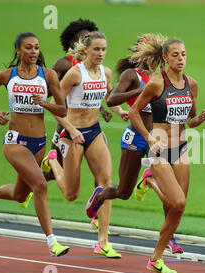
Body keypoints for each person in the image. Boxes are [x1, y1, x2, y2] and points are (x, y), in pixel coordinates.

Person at [85, 34, 185, 255]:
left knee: (172, 191)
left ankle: (170, 237)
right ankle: (100, 196)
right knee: (124, 191)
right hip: (135, 137)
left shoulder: (164, 77)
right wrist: (142, 92)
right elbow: (111, 100)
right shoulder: (133, 75)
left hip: (158, 141)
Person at [0, 32, 69, 256]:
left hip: (39, 142)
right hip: (15, 141)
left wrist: (45, 104)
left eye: (37, 48)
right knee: (41, 185)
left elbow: (63, 109)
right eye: (29, 48)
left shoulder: (48, 76)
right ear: (18, 50)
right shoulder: (7, 76)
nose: (34, 52)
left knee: (20, 194)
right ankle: (52, 241)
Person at [129, 37, 205, 273]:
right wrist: (148, 138)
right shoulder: (157, 84)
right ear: (165, 58)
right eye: (175, 55)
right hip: (159, 150)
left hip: (181, 149)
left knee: (177, 208)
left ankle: (156, 258)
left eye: (184, 54)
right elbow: (134, 112)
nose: (180, 59)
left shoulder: (191, 84)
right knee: (177, 202)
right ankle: (151, 179)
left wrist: (202, 117)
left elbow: (190, 121)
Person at [42, 31, 129, 258]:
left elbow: (109, 96)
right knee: (71, 194)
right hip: (71, 135)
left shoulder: (105, 72)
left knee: (106, 183)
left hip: (94, 132)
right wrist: (70, 130)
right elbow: (54, 106)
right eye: (96, 49)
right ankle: (52, 161)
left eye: (104, 49)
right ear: (86, 50)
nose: (101, 54)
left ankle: (103, 240)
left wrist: (121, 111)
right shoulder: (74, 74)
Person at [45, 18, 112, 183]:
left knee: (103, 171)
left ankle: (99, 199)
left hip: (90, 126)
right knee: (55, 174)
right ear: (72, 41)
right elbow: (50, 92)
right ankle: (30, 184)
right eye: (82, 39)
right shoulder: (64, 65)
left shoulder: (95, 66)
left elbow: (92, 93)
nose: (85, 42)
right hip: (65, 125)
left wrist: (102, 108)